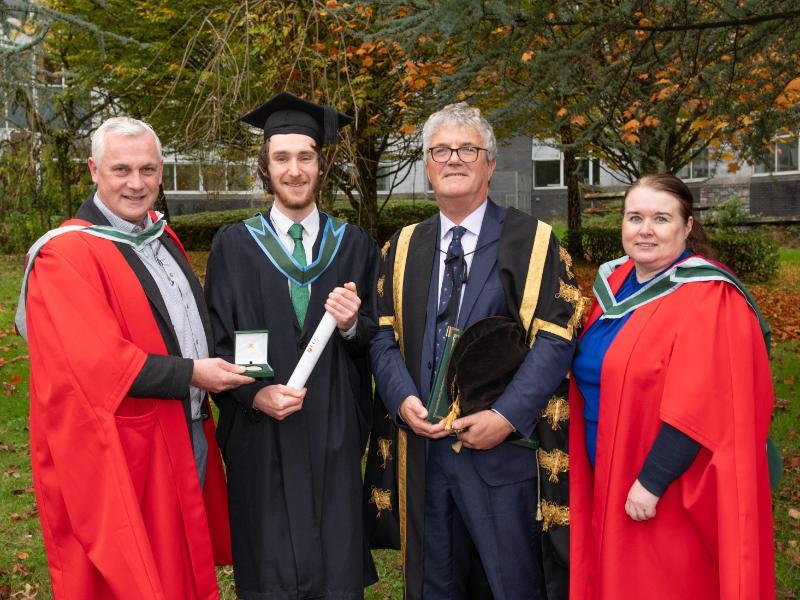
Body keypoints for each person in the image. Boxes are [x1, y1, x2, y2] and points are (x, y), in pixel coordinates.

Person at [16, 116, 254, 599]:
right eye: (120, 169)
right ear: (94, 170)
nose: (136, 183)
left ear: (161, 171)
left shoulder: (160, 237)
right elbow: (97, 362)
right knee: (141, 575)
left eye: (147, 169)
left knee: (179, 565)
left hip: (184, 429)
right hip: (127, 447)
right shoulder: (66, 255)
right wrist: (194, 373)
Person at [370, 102, 580, 599]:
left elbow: (556, 339)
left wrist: (506, 417)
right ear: (427, 166)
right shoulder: (402, 247)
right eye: (440, 150)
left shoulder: (533, 241)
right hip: (425, 458)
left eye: (468, 149)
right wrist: (402, 399)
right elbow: (382, 335)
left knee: (511, 585)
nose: (453, 159)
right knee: (433, 587)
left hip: (501, 460)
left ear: (490, 164)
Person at [204, 92, 379, 599]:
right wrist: (252, 394)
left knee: (334, 568)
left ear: (322, 165)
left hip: (333, 429)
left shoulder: (355, 246)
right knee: (269, 571)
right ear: (265, 167)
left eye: (306, 157)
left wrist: (352, 326)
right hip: (261, 435)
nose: (295, 170)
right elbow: (219, 340)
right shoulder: (234, 246)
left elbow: (379, 341)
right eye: (282, 158)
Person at [569, 173, 775, 599]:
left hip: (664, 485)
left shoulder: (709, 297)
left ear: (687, 226)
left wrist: (652, 482)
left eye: (661, 219)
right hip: (604, 466)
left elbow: (703, 402)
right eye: (635, 217)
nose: (645, 230)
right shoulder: (615, 283)